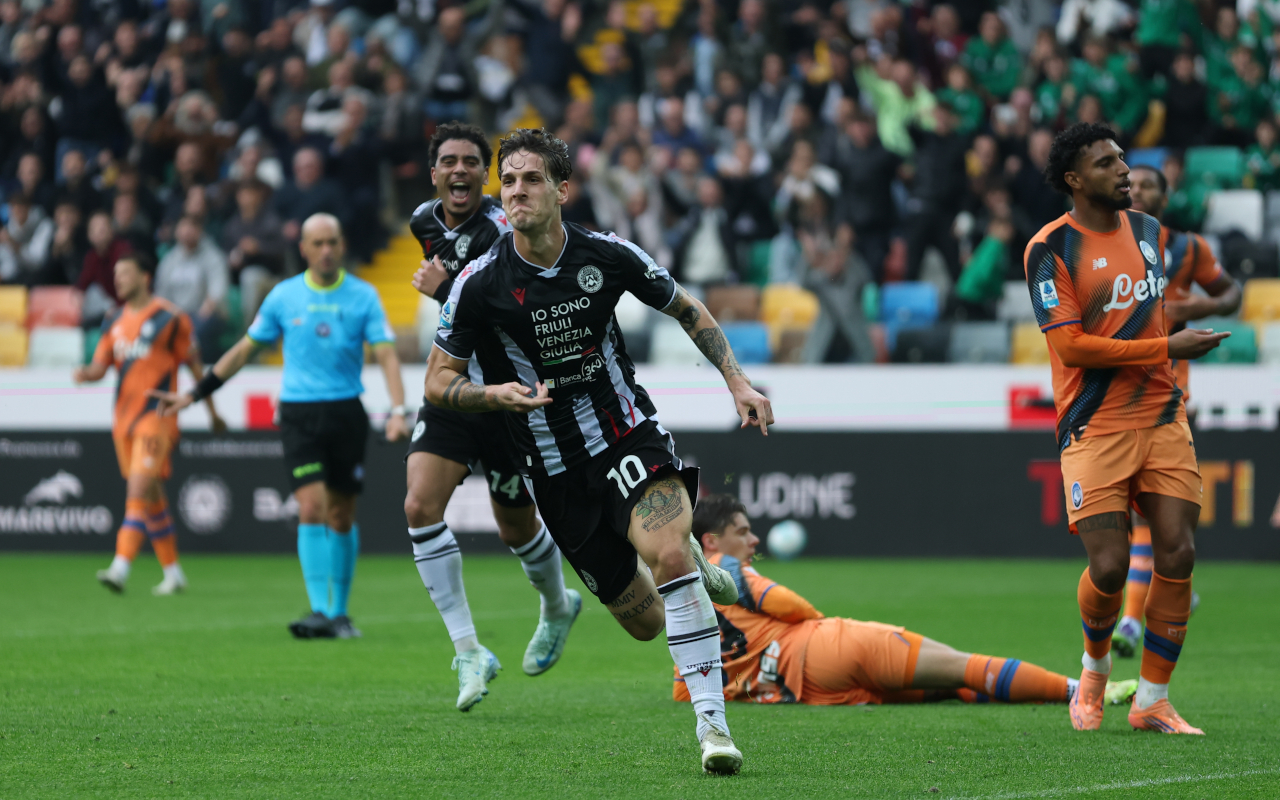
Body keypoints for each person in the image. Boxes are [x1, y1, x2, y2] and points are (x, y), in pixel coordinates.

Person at [424, 128, 773, 775]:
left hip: (624, 436)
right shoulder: (479, 282)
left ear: (563, 189)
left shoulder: (606, 255)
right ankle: (693, 562)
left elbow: (686, 309)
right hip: (553, 471)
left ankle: (712, 727)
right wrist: (493, 395)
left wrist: (738, 381)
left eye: (531, 179)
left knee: (667, 556)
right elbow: (438, 381)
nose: (517, 191)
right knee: (643, 622)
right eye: (511, 181)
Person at [1025, 123, 1229, 735]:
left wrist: (1178, 329)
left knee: (1179, 550)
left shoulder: (1148, 231)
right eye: (1108, 162)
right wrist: (1171, 343)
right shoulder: (1050, 248)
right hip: (1094, 426)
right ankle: (1092, 671)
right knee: (1111, 568)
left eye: (1122, 158)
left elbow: (1146, 310)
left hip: (1163, 414)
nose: (1123, 171)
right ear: (1074, 179)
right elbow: (1072, 346)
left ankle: (1152, 701)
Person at [152, 214, 409, 640]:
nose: (326, 250)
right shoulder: (283, 297)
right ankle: (320, 611)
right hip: (298, 414)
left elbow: (387, 356)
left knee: (342, 515)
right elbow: (243, 351)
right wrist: (195, 393)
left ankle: (340, 613)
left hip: (346, 412)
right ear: (304, 249)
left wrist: (398, 408)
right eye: (317, 243)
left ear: (341, 246)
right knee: (311, 507)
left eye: (332, 242)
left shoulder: (363, 296)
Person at [405, 122, 581, 711]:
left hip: (508, 394)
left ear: (486, 176)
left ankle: (557, 605)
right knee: (419, 505)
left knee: (515, 527)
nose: (459, 170)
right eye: (448, 161)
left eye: (470, 163)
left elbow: (509, 299)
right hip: (454, 389)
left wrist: (443, 287)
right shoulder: (423, 222)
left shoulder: (509, 224)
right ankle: (468, 651)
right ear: (434, 173)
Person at [675, 495, 1137, 708]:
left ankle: (1060, 693)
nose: (752, 540)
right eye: (743, 531)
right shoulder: (722, 566)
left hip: (802, 690)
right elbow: (793, 607)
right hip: (825, 647)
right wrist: (817, 621)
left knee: (943, 689)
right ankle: (1081, 690)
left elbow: (684, 689)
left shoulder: (685, 600)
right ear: (712, 540)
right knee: (966, 665)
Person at [1109, 164, 1241, 658]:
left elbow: (1232, 293)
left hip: (1167, 398)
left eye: (1148, 185)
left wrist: (1190, 310)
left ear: (1165, 198)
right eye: (1132, 183)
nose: (1137, 190)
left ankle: (1128, 621)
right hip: (1110, 398)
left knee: (1149, 517)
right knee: (1127, 519)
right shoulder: (1102, 246)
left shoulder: (1186, 250)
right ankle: (1169, 586)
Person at [73, 254, 225, 595]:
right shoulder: (112, 318)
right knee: (152, 498)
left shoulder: (171, 318)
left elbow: (196, 368)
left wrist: (212, 411)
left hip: (157, 419)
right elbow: (100, 367)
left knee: (138, 490)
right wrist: (85, 373)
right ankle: (173, 573)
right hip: (122, 422)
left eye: (126, 273)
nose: (119, 280)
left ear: (145, 276)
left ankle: (120, 567)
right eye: (116, 275)